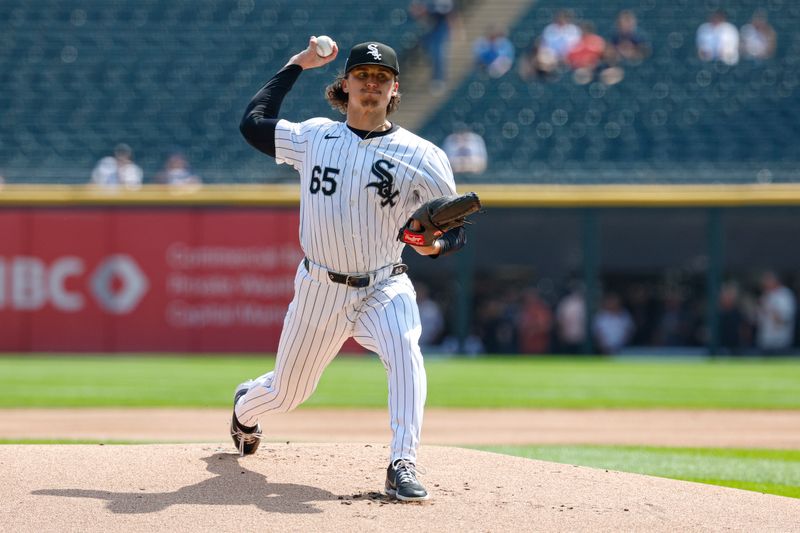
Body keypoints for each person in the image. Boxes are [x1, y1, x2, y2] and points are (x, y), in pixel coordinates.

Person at [235, 38, 467, 502]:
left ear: (394, 88)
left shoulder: (424, 157)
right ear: (345, 84)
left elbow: (451, 231)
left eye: (381, 78)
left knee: (405, 352)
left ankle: (402, 462)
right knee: (286, 393)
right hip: (321, 288)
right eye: (362, 75)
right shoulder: (314, 137)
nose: (371, 84)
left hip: (385, 282)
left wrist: (431, 246)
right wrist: (298, 63)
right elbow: (252, 123)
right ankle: (245, 408)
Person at [410, 0, 462, 95]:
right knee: (430, 52)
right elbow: (416, 10)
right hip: (428, 27)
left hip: (440, 27)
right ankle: (437, 75)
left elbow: (450, 14)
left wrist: (456, 30)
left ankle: (439, 78)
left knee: (437, 52)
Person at [756, 271, 796, 355]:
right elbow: (759, 318)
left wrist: (771, 309)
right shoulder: (766, 295)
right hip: (765, 340)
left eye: (767, 281)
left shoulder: (785, 295)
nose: (765, 284)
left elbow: (785, 319)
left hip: (780, 340)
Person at [516, 288, 553, 354]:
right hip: (526, 344)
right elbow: (520, 324)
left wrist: (533, 329)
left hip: (539, 343)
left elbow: (545, 325)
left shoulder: (541, 309)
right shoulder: (524, 310)